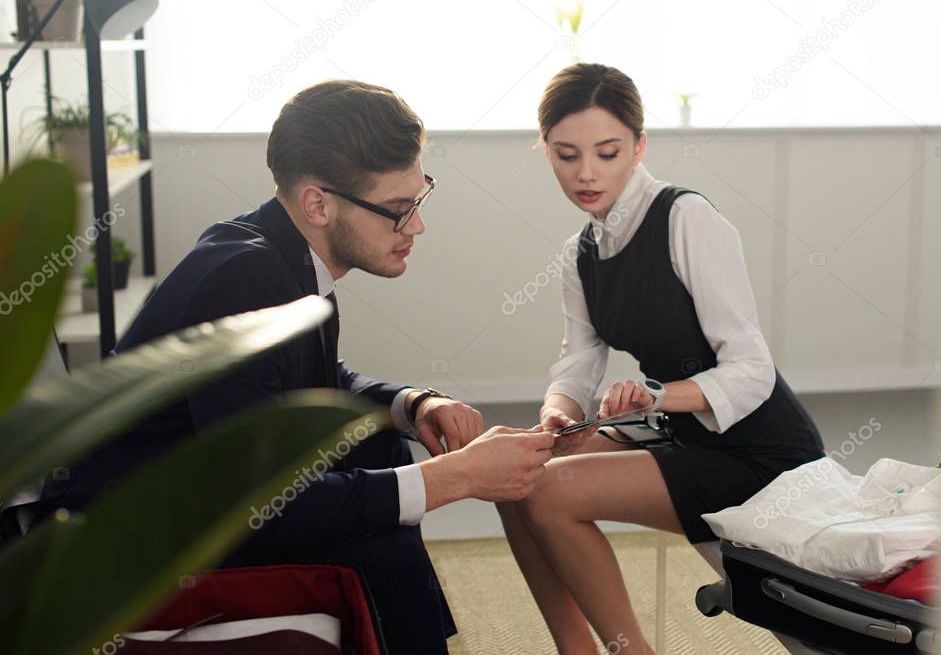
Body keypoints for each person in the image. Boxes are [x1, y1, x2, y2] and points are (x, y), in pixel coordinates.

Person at [33, 80, 556, 654]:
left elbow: (311, 382)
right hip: (136, 543)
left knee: (384, 446)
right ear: (318, 203)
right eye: (399, 209)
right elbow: (264, 503)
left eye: (420, 199)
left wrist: (412, 405)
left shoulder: (274, 251)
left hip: (196, 493)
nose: (417, 226)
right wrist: (459, 478)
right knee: (378, 546)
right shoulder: (245, 279)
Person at [497, 63, 825, 654]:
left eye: (607, 152)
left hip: (759, 449)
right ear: (545, 150)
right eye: (566, 155)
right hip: (678, 429)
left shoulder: (686, 218)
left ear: (640, 146)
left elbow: (752, 369)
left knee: (550, 490)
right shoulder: (581, 252)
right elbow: (577, 361)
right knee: (517, 474)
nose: (587, 173)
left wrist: (655, 397)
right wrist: (555, 414)